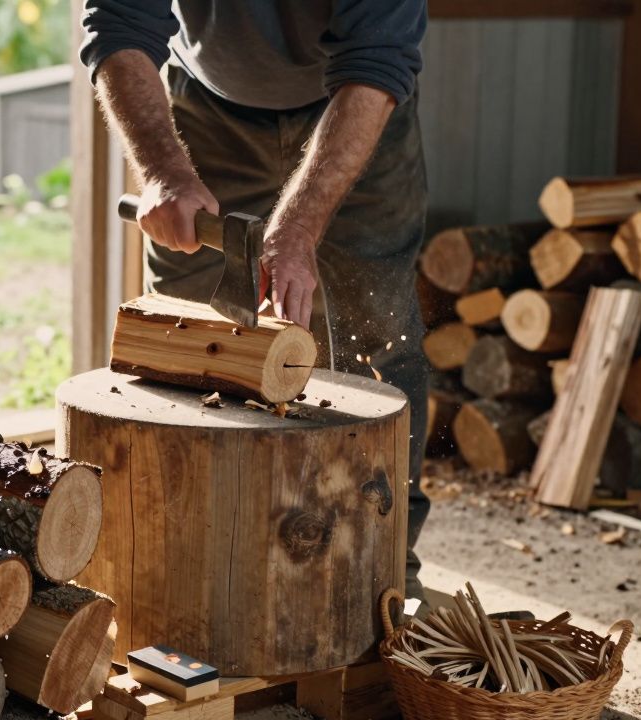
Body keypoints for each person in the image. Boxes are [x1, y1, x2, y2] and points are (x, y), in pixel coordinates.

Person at [79, 1, 431, 601]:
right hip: (205, 106)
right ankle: (179, 567)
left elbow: (376, 62)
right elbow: (119, 22)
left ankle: (381, 577)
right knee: (180, 345)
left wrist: (300, 226)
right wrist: (163, 170)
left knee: (378, 340)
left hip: (354, 104)